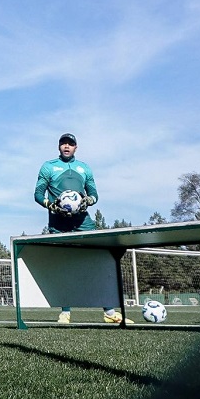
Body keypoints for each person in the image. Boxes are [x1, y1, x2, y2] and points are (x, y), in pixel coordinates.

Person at [34, 133, 128, 324]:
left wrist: (88, 200)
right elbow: (37, 193)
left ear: (76, 147)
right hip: (59, 224)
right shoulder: (48, 167)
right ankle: (65, 312)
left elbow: (94, 193)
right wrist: (50, 205)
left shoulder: (84, 168)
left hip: (83, 223)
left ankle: (109, 312)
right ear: (58, 147)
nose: (66, 147)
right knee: (64, 266)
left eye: (70, 144)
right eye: (63, 144)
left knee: (99, 261)